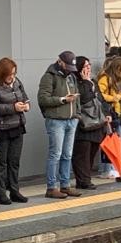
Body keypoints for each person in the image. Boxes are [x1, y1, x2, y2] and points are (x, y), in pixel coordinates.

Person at [37, 51, 81, 199]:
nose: (69, 69)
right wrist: (62, 100)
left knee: (67, 154)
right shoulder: (49, 77)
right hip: (56, 120)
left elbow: (77, 98)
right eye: (67, 66)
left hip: (71, 119)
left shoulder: (72, 76)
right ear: (60, 62)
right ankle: (51, 187)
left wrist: (77, 114)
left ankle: (65, 185)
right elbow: (43, 99)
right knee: (55, 154)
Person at [0, 57, 29, 204]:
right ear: (1, 73)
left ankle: (15, 191)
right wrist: (13, 108)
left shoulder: (16, 82)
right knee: (1, 163)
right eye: (9, 74)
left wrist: (26, 105)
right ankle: (1, 193)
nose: (12, 77)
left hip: (17, 126)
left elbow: (25, 97)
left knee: (14, 161)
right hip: (2, 128)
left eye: (14, 73)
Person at [72, 57, 110, 190]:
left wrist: (107, 114)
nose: (88, 68)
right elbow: (85, 99)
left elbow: (100, 99)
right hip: (84, 124)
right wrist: (87, 83)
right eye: (85, 66)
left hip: (97, 123)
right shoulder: (75, 82)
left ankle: (85, 179)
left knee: (92, 153)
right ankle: (83, 180)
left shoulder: (93, 81)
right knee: (82, 153)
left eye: (89, 65)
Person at [98, 57, 121, 178]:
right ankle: (107, 168)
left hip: (119, 112)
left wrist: (118, 96)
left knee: (116, 141)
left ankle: (114, 167)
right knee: (109, 140)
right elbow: (100, 95)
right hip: (110, 112)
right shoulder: (106, 78)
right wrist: (113, 98)